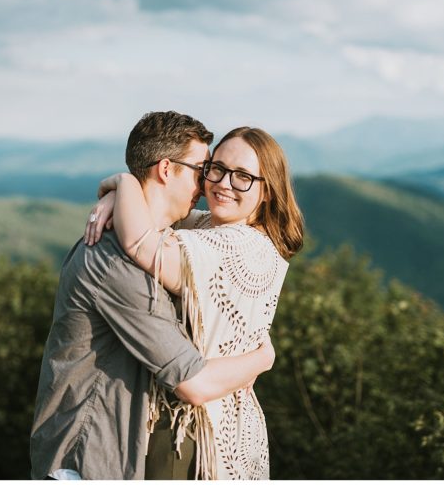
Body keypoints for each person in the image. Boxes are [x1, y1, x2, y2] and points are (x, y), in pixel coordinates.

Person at [30, 112, 276, 480]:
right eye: (203, 168)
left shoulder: (176, 243)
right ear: (165, 169)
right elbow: (193, 382)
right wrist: (263, 357)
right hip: (86, 463)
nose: (209, 182)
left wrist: (120, 188)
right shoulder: (114, 260)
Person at [86, 126, 304, 480]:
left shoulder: (241, 248)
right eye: (215, 169)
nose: (224, 183)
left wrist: (123, 184)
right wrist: (116, 197)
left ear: (267, 191)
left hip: (201, 436)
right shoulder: (209, 226)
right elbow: (156, 213)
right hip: (192, 423)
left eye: (244, 177)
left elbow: (144, 244)